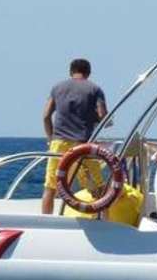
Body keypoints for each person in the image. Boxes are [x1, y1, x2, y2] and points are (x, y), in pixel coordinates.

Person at [41, 58, 108, 215]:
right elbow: (102, 116)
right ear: (88, 72)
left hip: (59, 143)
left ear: (71, 72)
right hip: (83, 144)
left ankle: (45, 221)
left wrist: (50, 138)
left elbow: (46, 115)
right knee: (98, 187)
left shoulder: (57, 88)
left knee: (50, 187)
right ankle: (104, 221)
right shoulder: (95, 89)